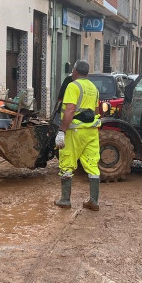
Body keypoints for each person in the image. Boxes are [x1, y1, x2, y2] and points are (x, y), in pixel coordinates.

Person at [54, 59, 101, 211]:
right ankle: (93, 201)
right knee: (92, 164)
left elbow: (70, 110)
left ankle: (65, 199)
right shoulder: (94, 88)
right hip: (91, 131)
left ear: (74, 71)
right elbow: (96, 112)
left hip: (74, 131)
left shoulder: (73, 86)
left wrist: (61, 131)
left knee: (67, 162)